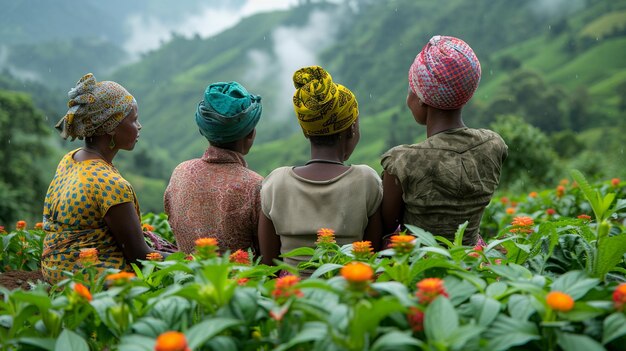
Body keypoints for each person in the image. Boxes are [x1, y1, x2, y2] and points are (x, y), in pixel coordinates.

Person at [42, 73, 170, 285]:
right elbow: (139, 256)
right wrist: (191, 260)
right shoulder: (111, 185)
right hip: (93, 279)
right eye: (134, 120)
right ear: (111, 126)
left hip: (56, 270)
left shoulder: (70, 159)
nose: (139, 126)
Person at [381, 35, 508, 245]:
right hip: (471, 260)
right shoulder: (493, 145)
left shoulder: (403, 162)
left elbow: (388, 224)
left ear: (422, 99)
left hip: (421, 267)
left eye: (411, 88)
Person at [259, 66, 383, 269]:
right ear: (352, 129)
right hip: (350, 293)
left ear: (306, 132)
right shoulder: (366, 180)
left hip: (291, 296)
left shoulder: (276, 183)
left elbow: (268, 265)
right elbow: (371, 257)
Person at [164, 82, 263, 254]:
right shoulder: (255, 186)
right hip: (236, 281)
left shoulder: (180, 172)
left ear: (204, 131)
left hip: (185, 278)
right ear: (250, 133)